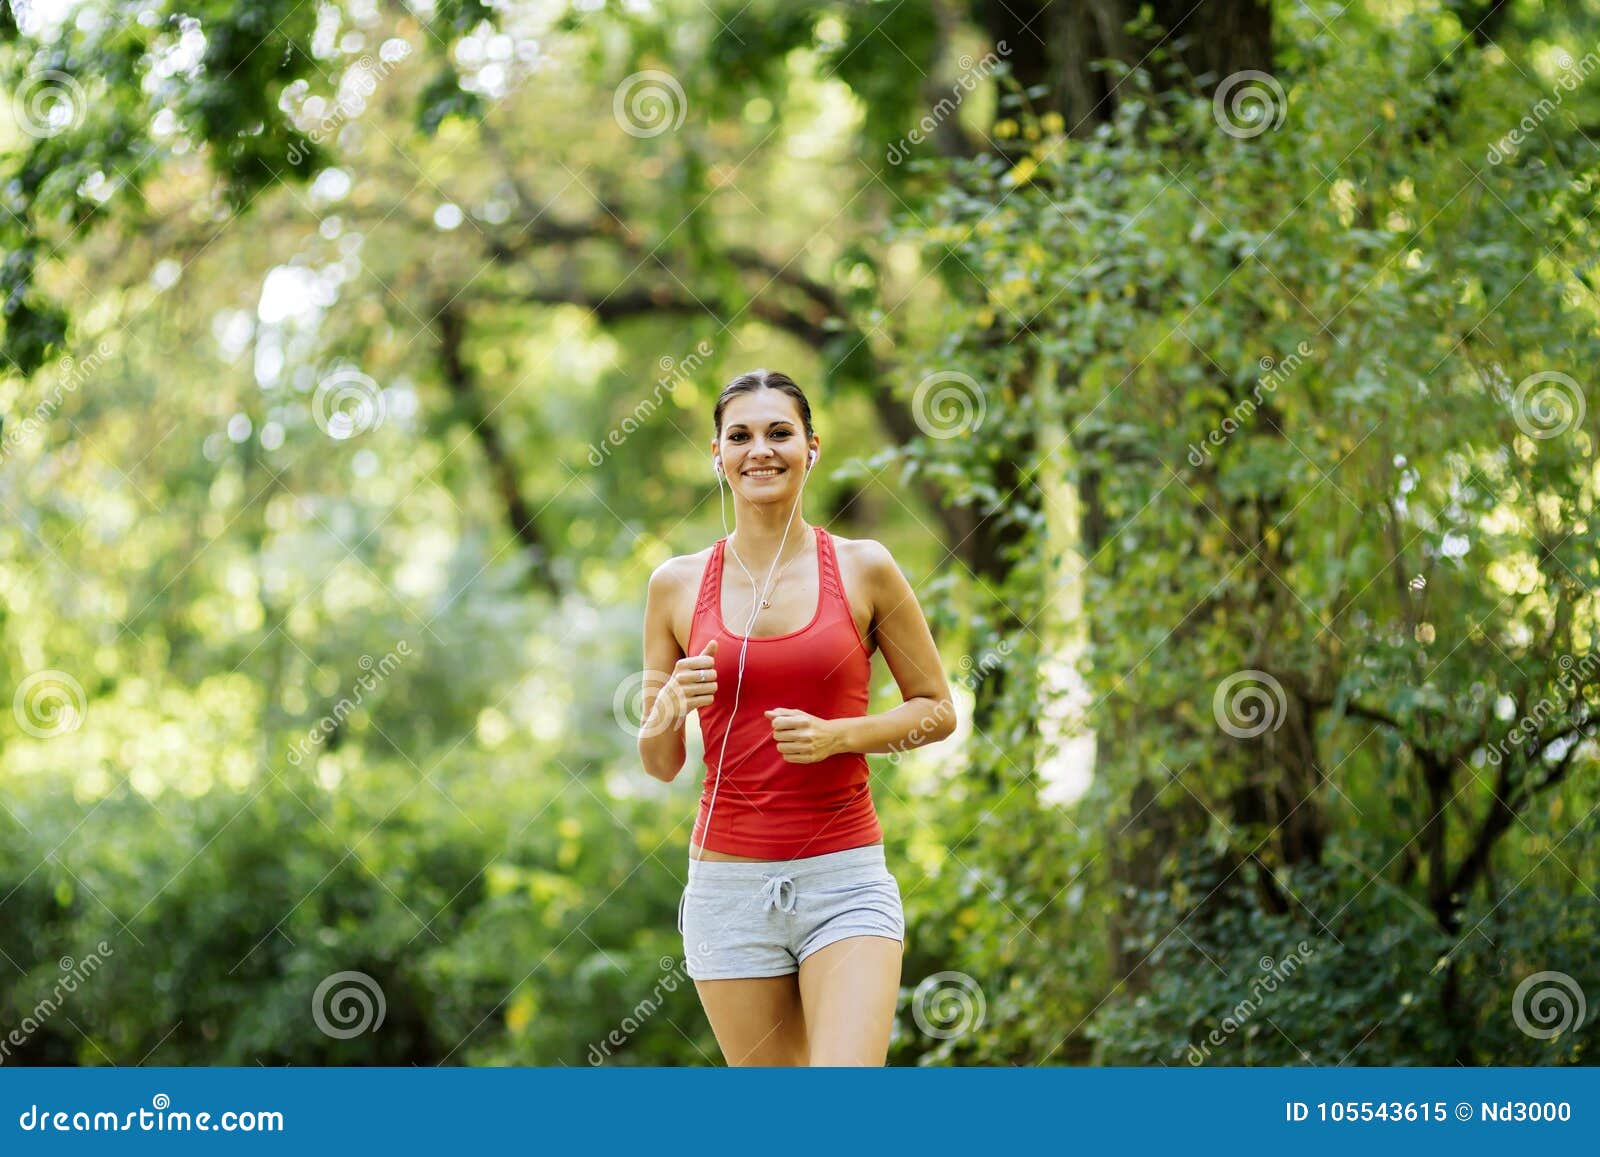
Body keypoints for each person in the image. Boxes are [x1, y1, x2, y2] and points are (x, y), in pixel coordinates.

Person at [638, 368, 957, 1066]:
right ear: (717, 455)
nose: (761, 450)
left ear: (811, 448)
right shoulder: (676, 585)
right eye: (740, 436)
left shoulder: (865, 567)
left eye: (780, 433)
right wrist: (666, 709)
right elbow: (661, 762)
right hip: (728, 889)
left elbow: (937, 711)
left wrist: (839, 735)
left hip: (844, 879)